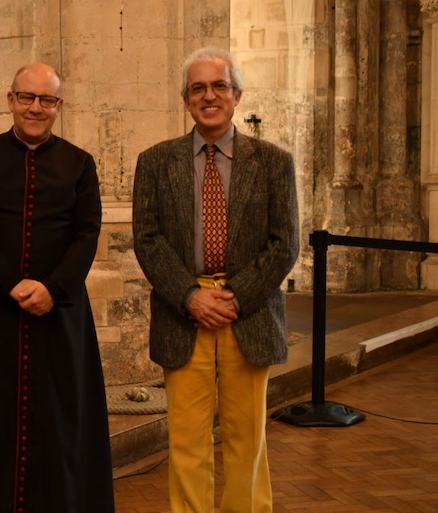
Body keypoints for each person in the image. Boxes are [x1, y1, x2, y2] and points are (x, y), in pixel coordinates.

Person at [0, 63, 115, 513]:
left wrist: (53, 288)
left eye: (47, 100)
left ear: (59, 106)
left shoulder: (79, 163)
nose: (36, 108)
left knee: (60, 421)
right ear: (10, 100)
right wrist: (10, 283)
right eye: (27, 98)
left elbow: (87, 232)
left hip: (59, 312)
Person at [132, 46, 299, 513]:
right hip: (182, 314)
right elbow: (148, 240)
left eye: (219, 86)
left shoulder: (273, 162)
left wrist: (233, 298)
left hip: (247, 312)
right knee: (186, 439)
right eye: (198, 88)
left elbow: (285, 244)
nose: (209, 96)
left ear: (237, 95)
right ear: (186, 99)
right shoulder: (156, 161)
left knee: (248, 438)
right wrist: (190, 297)